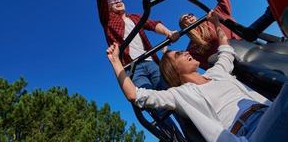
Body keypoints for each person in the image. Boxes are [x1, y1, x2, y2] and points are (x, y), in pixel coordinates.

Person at [107, 11, 288, 142]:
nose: (185, 53)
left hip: (268, 110)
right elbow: (135, 95)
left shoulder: (217, 71)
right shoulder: (180, 95)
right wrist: (116, 61)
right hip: (250, 134)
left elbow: (225, 48)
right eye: (178, 54)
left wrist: (216, 23)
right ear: (173, 70)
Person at [94, 0, 179, 90]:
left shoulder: (135, 17)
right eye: (114, 2)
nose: (118, 2)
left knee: (169, 94)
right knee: (152, 102)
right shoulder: (108, 19)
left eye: (120, 0)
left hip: (150, 60)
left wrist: (168, 32)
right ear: (110, 8)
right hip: (132, 66)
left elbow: (153, 24)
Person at [179, 0, 241, 69]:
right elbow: (207, 66)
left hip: (243, 44)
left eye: (190, 15)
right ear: (183, 26)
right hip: (230, 65)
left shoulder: (211, 18)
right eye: (185, 19)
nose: (189, 17)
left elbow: (224, 2)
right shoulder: (192, 48)